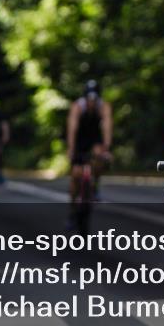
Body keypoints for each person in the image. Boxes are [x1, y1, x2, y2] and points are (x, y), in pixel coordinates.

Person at [66, 79, 113, 222]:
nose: (92, 102)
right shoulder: (77, 107)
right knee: (75, 174)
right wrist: (71, 149)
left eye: (95, 99)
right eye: (89, 99)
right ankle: (73, 210)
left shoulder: (104, 107)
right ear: (85, 97)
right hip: (80, 139)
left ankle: (95, 185)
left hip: (95, 139)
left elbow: (107, 127)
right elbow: (72, 128)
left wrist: (106, 147)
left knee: (100, 156)